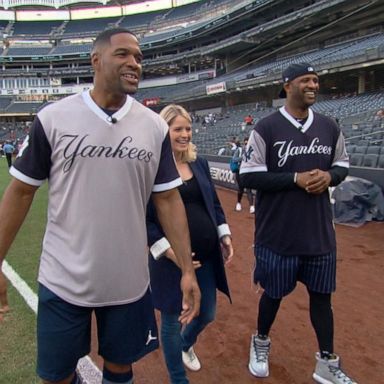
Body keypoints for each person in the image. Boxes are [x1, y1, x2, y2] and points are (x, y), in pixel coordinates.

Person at [0, 28, 200, 384]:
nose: (134, 63)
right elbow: (20, 193)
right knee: (56, 376)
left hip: (128, 280)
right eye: (123, 54)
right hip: (63, 277)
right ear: (96, 60)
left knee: (121, 370)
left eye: (138, 57)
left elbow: (168, 198)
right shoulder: (54, 118)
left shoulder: (153, 126)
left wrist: (187, 269)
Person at [240, 63, 357, 384]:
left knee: (322, 299)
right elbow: (248, 175)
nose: (313, 85)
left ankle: (326, 362)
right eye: (306, 80)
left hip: (319, 233)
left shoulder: (329, 126)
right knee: (273, 295)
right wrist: (295, 178)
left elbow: (342, 163)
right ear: (287, 85)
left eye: (316, 80)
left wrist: (329, 176)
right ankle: (260, 341)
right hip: (278, 234)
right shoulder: (266, 128)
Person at [147, 104, 233, 384]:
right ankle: (177, 378)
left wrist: (224, 234)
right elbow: (143, 219)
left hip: (205, 257)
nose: (185, 134)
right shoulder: (151, 168)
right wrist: (168, 251)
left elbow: (214, 204)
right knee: (172, 320)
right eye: (177, 129)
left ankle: (186, 345)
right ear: (164, 131)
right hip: (171, 261)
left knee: (206, 312)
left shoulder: (200, 162)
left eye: (188, 128)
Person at [232, 139, 255, 213]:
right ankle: (238, 203)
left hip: (248, 171)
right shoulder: (239, 150)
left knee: (249, 189)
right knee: (241, 189)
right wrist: (243, 158)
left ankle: (251, 206)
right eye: (245, 143)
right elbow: (234, 159)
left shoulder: (253, 151)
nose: (246, 145)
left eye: (248, 143)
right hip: (240, 171)